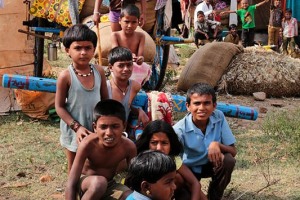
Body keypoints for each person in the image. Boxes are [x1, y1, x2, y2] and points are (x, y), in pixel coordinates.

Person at [55, 24, 108, 174]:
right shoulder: (65, 76)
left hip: (95, 127)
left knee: (93, 164)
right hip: (74, 128)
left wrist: (103, 124)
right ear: (67, 51)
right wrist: (76, 127)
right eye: (78, 48)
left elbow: (105, 101)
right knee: (74, 168)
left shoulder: (99, 71)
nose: (83, 52)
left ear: (94, 49)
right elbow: (59, 107)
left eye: (88, 48)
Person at [173, 83, 237, 200]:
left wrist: (217, 145)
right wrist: (195, 186)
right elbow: (175, 162)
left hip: (210, 164)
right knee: (182, 186)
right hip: (188, 169)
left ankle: (215, 196)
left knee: (228, 160)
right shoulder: (179, 130)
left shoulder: (218, 117)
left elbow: (233, 151)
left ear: (214, 106)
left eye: (207, 103)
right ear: (188, 106)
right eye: (197, 103)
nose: (202, 108)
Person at [65, 99, 137, 200]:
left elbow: (133, 179)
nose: (109, 133)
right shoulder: (88, 144)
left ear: (124, 126)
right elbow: (72, 182)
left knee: (131, 197)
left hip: (109, 185)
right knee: (99, 183)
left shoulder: (129, 147)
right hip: (85, 185)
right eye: (103, 127)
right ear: (95, 127)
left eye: (115, 126)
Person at [135, 120, 207, 200]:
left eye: (164, 143)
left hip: (169, 195)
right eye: (154, 143)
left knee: (181, 182)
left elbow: (194, 183)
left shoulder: (174, 159)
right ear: (147, 143)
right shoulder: (141, 161)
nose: (159, 148)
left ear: (171, 144)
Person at [107, 46, 149, 129]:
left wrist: (139, 111)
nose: (126, 69)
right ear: (111, 67)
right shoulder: (105, 87)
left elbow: (127, 106)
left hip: (123, 131)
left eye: (129, 65)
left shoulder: (135, 86)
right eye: (121, 66)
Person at [111, 4, 151, 86]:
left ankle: (135, 86)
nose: (130, 25)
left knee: (145, 67)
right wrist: (128, 56)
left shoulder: (141, 36)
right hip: (120, 65)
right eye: (126, 22)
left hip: (133, 66)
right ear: (119, 20)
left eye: (134, 22)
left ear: (138, 22)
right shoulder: (115, 35)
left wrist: (140, 59)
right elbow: (116, 54)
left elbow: (140, 56)